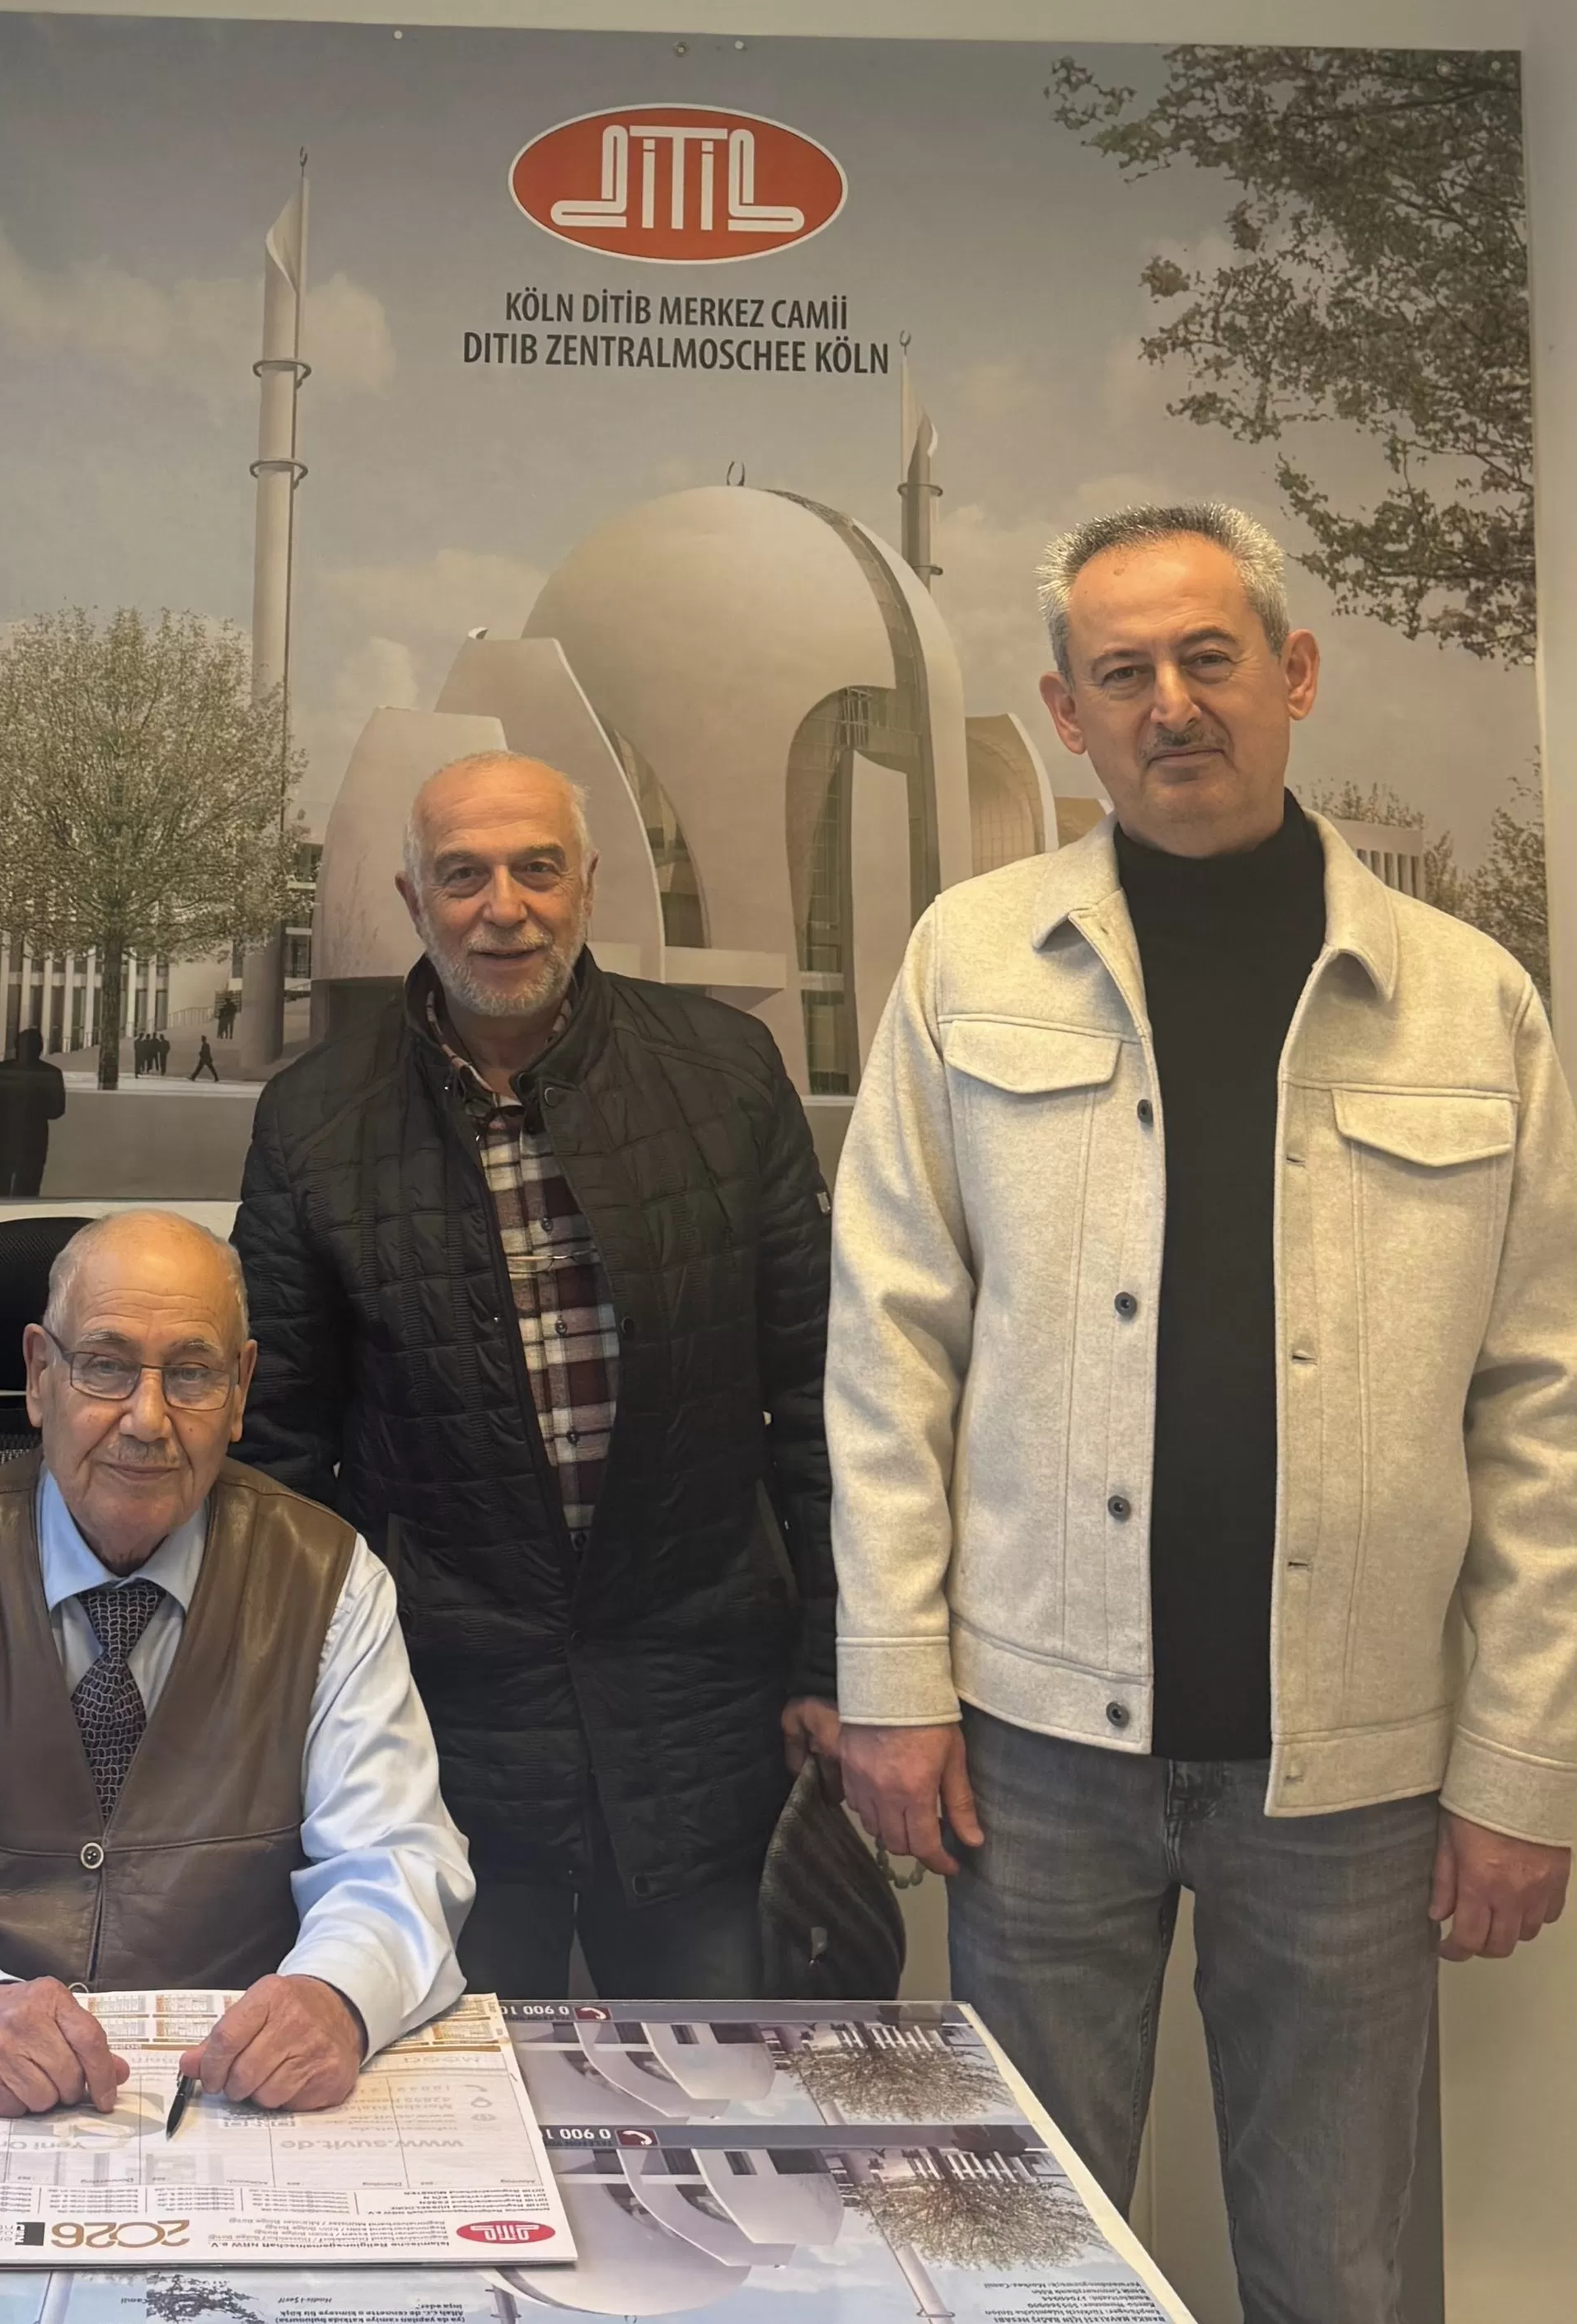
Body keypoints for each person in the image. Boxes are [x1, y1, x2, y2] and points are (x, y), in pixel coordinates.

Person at [826, 503, 1577, 2324]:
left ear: (1291, 673)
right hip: (1031, 1756)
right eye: (1120, 673)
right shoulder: (967, 963)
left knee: (1340, 2273)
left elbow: (1540, 1411)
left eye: (1206, 657)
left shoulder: (1468, 1002)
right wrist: (892, 1683)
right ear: (1063, 714)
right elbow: (888, 1343)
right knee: (1021, 2270)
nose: (1169, 703)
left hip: (1353, 1772)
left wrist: (1520, 1764)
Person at [231, 752, 838, 1999]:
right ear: (412, 899)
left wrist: (839, 1664)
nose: (502, 908)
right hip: (440, 1735)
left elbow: (822, 1399)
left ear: (588, 886)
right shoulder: (313, 1122)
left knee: (714, 2099)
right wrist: (300, 1718)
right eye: (463, 876)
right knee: (445, 2104)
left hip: (701, 1723)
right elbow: (277, 1452)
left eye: (536, 869)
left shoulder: (725, 1077)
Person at [0, 1209, 472, 2117]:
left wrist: (336, 1996)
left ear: (240, 1390)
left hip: (228, 2099)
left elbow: (396, 1855)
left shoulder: (331, 1582)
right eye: (105, 1365)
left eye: (192, 1374)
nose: (147, 1419)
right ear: (39, 1375)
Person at [0, 1025, 68, 1197]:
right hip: (31, 1137)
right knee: (26, 1190)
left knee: (2, 1189)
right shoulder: (50, 1073)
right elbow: (56, 1109)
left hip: (5, 1136)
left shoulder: (0, 1070)